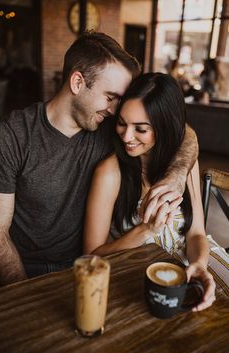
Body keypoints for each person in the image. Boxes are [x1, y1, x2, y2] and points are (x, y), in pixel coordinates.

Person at [0, 32, 198, 286]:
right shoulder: (12, 136)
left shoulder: (110, 127)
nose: (115, 110)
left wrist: (177, 175)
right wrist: (24, 293)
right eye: (110, 97)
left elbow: (180, 131)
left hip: (90, 265)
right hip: (25, 268)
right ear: (78, 82)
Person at [84, 72, 229, 310]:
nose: (127, 137)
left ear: (164, 126)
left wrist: (200, 265)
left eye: (140, 129)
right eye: (122, 123)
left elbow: (196, 235)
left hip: (196, 257)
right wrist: (145, 230)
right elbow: (90, 257)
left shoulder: (183, 165)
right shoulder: (110, 173)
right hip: (142, 271)